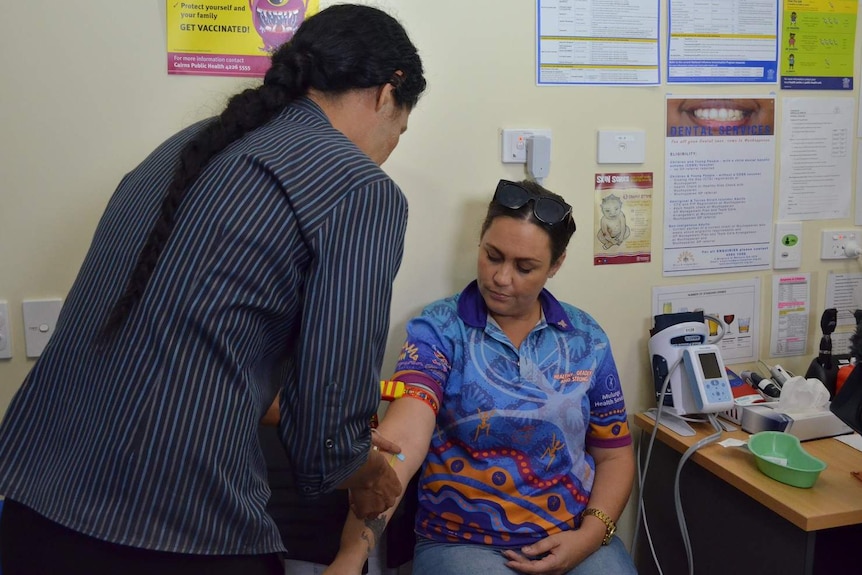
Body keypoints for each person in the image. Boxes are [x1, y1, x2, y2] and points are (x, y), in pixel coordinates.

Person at [0, 4, 426, 575]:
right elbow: (326, 437)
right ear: (386, 91)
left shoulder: (189, 144)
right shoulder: (359, 188)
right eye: (398, 132)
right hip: (170, 523)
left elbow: (182, 335)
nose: (387, 150)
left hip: (30, 499)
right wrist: (365, 469)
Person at [325, 180, 637, 575]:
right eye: (493, 256)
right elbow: (403, 441)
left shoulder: (585, 337)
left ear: (556, 265)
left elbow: (613, 454)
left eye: (525, 268)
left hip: (573, 535)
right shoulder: (439, 330)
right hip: (462, 542)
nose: (502, 278)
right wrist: (350, 559)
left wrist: (589, 536)